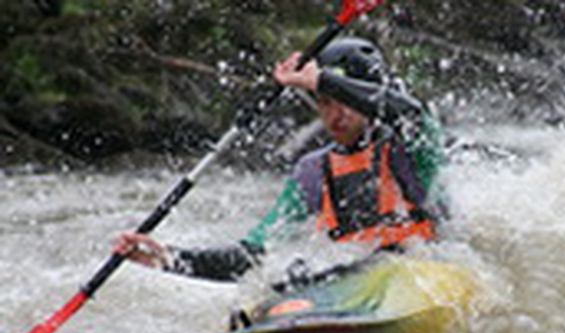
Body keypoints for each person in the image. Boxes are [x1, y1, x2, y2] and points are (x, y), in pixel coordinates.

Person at [115, 37, 446, 283]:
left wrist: (320, 80)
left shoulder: (412, 146)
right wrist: (167, 257)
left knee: (388, 257)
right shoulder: (313, 172)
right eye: (325, 102)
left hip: (424, 269)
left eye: (346, 100)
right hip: (357, 281)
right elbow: (251, 255)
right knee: (295, 274)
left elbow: (408, 112)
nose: (336, 113)